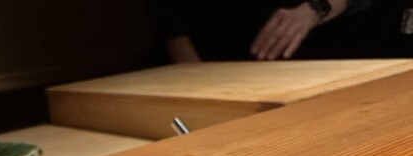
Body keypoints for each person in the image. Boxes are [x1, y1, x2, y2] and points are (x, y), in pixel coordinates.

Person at [150, 0, 372, 62]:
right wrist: (189, 66)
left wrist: (316, 8)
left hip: (311, 60)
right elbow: (168, 15)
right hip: (217, 61)